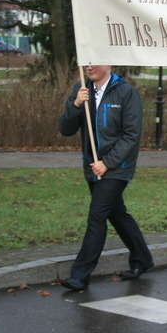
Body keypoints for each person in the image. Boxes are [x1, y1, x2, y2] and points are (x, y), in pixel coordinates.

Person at [58, 65, 154, 291]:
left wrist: (108, 163)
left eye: (95, 61)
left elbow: (131, 135)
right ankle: (143, 259)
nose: (89, 66)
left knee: (97, 216)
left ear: (108, 64)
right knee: (117, 214)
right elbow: (66, 129)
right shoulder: (81, 89)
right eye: (87, 62)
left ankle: (79, 275)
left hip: (117, 167)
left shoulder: (125, 92)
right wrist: (75, 105)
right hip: (92, 167)